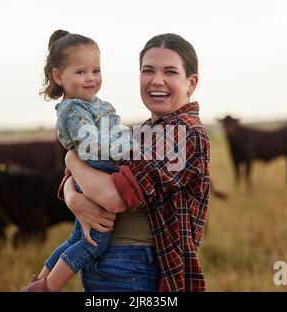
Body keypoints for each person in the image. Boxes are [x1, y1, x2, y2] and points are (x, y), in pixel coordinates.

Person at [61, 33, 210, 292]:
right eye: (148, 70)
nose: (157, 80)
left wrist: (71, 158)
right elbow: (83, 173)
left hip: (135, 269)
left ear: (191, 83)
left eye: (170, 72)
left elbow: (112, 197)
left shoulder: (183, 132)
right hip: (107, 262)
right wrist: (74, 198)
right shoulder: (140, 133)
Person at [23, 29, 132, 292]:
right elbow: (92, 142)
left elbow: (116, 128)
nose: (90, 78)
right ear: (59, 76)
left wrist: (128, 138)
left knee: (76, 235)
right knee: (95, 239)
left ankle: (39, 280)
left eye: (96, 70)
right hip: (93, 172)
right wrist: (130, 150)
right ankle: (49, 287)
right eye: (80, 72)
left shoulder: (99, 104)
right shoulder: (73, 109)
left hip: (91, 172)